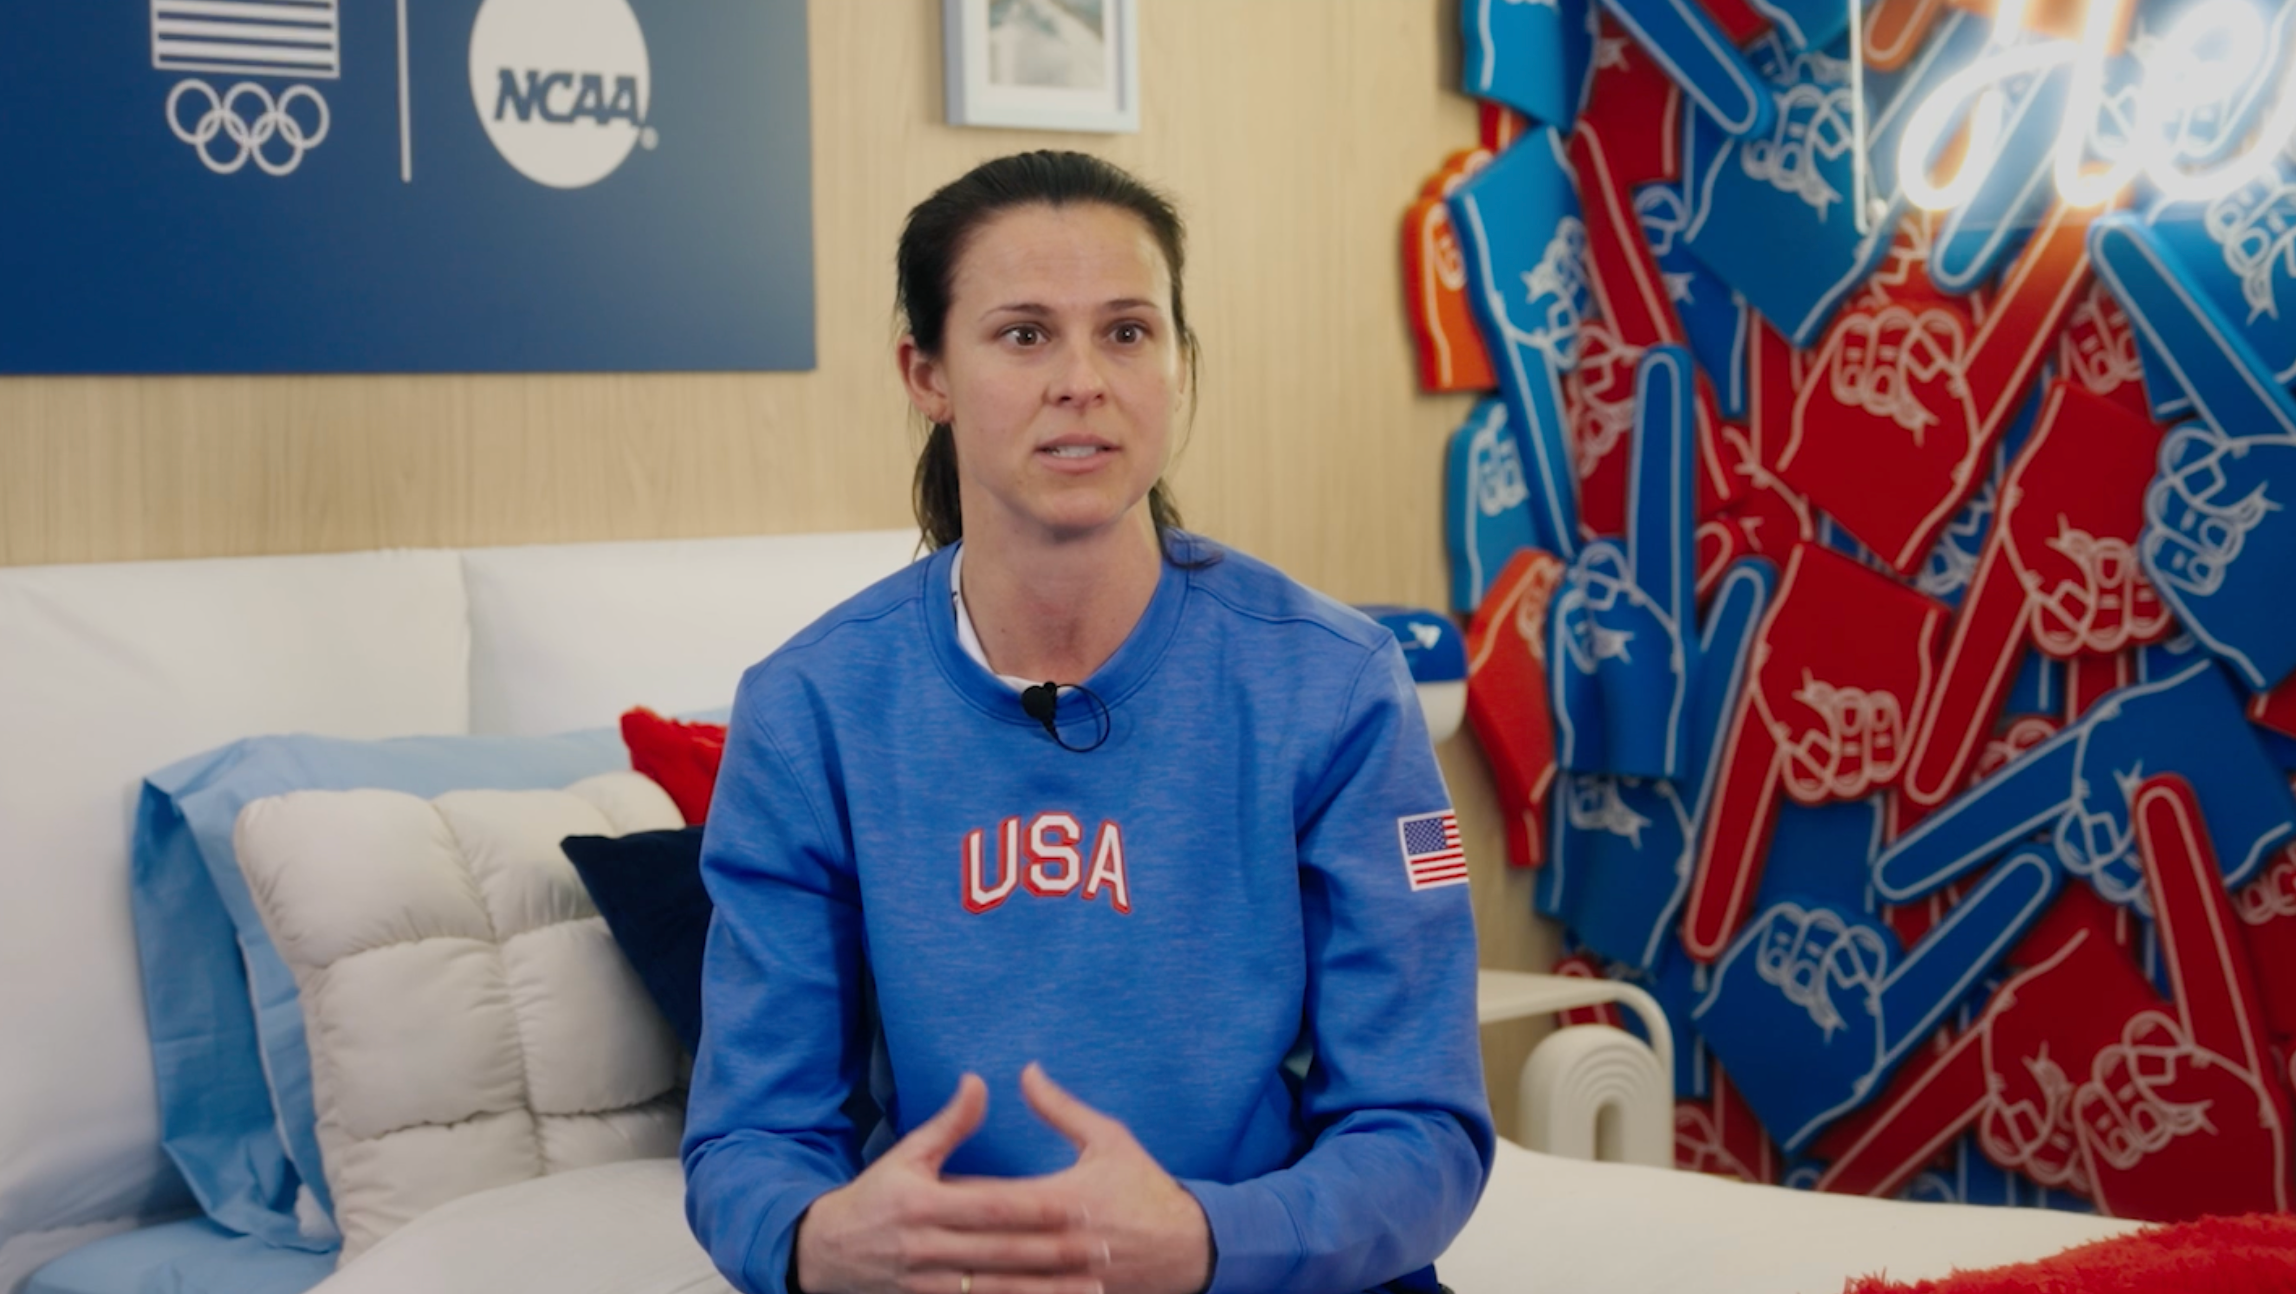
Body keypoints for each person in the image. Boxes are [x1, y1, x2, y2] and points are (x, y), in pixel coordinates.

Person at [682, 150, 1494, 1294]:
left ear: (1178, 361)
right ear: (926, 373)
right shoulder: (808, 709)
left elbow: (1423, 1128)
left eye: (1125, 331)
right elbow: (751, 1136)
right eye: (1024, 334)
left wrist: (1205, 1240)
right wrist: (817, 1241)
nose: (1082, 380)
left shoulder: (1338, 685)